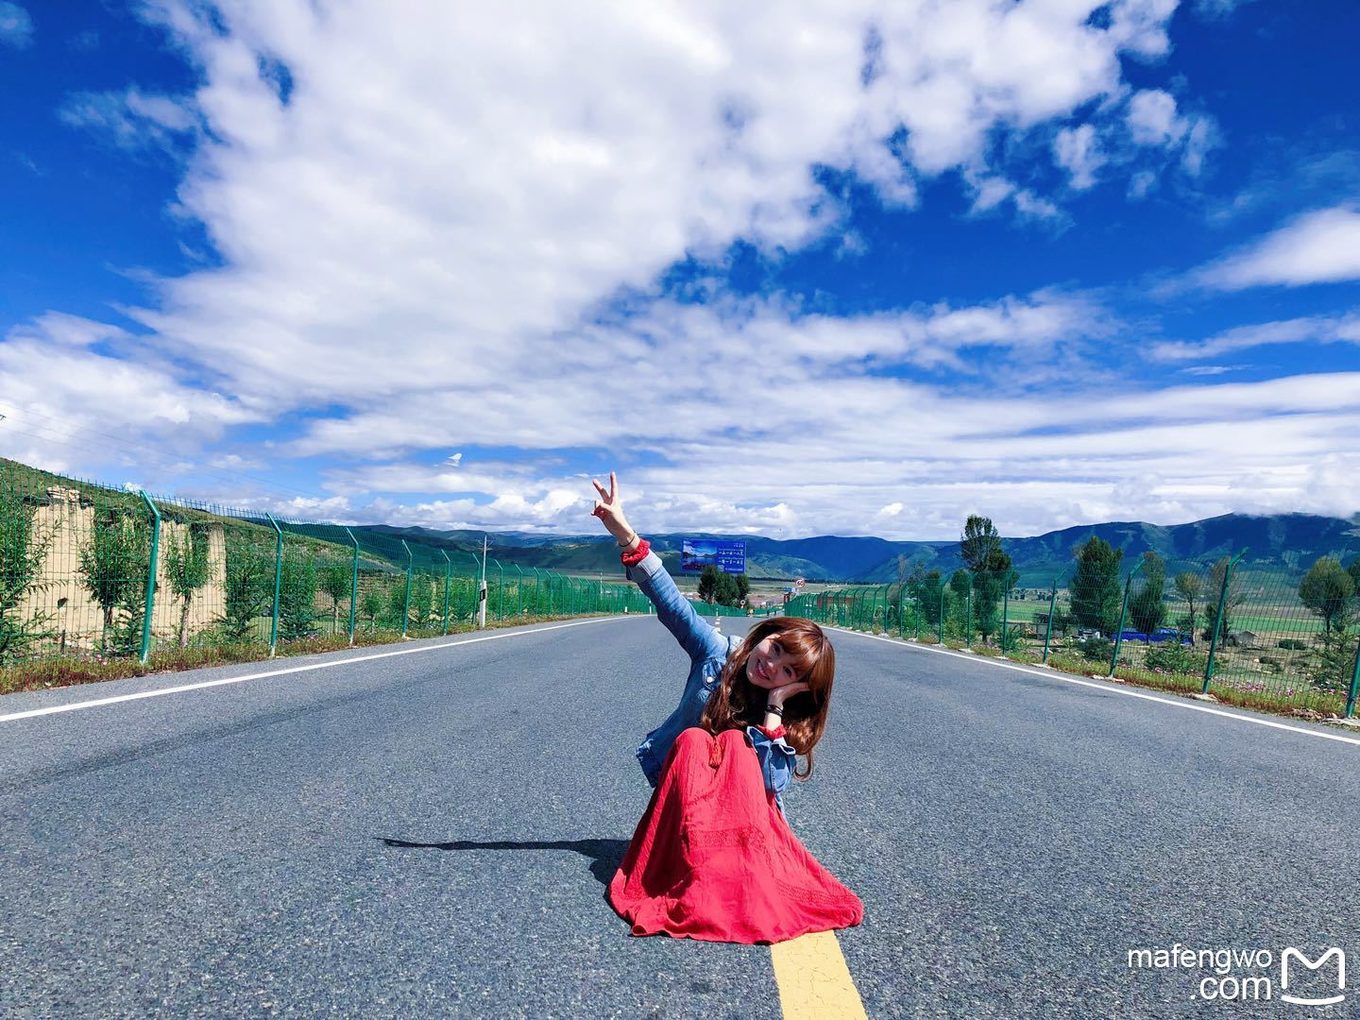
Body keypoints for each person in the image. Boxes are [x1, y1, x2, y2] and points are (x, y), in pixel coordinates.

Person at [590, 471, 863, 945]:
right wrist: (627, 536)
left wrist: (774, 712)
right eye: (775, 648)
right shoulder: (717, 654)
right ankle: (685, 867)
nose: (771, 665)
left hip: (744, 820)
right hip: (687, 793)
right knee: (697, 739)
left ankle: (725, 871)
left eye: (788, 672)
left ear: (800, 687)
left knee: (738, 744)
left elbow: (772, 787)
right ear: (767, 633)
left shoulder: (784, 711)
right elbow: (674, 606)